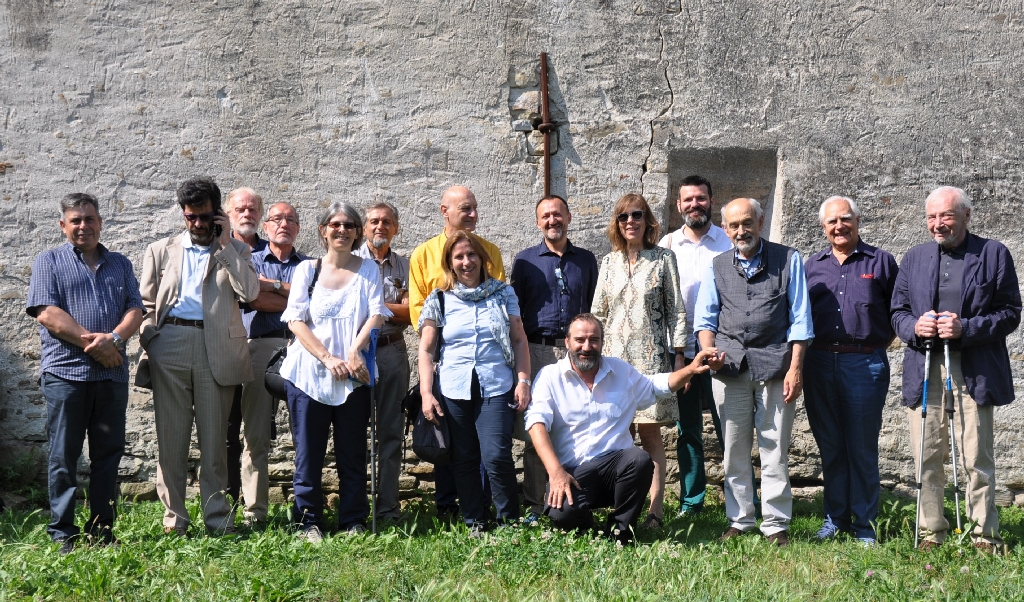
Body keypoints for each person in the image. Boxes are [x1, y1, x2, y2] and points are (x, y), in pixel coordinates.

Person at [891, 186, 1021, 553]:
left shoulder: (993, 253)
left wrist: (968, 327)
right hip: (926, 366)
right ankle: (932, 531)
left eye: (946, 216)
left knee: (976, 456)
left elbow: (1010, 311)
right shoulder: (914, 258)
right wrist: (914, 327)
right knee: (926, 454)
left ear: (966, 215)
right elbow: (897, 312)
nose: (938, 224)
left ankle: (984, 535)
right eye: (931, 217)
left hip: (974, 368)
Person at [526, 314, 720, 545]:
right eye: (580, 340)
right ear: (567, 342)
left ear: (602, 342)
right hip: (572, 473)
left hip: (615, 470)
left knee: (638, 459)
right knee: (562, 514)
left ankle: (620, 531)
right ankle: (589, 525)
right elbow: (536, 424)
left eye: (594, 340)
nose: (586, 347)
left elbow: (658, 385)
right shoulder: (550, 377)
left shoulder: (621, 372)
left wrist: (691, 369)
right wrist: (556, 472)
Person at [138, 177, 260, 536]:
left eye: (204, 217)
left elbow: (250, 292)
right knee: (170, 440)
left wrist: (225, 246)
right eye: (190, 217)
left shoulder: (235, 250)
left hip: (217, 348)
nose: (197, 224)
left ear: (218, 214)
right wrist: (152, 342)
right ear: (183, 214)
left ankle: (217, 519)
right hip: (170, 342)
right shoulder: (161, 250)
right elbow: (145, 304)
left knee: (214, 443)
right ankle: (175, 520)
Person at [27, 193, 144, 553]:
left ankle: (101, 530)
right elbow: (46, 313)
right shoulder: (48, 262)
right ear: (63, 226)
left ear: (100, 223)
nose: (83, 226)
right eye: (75, 221)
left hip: (110, 379)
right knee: (64, 455)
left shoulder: (120, 263)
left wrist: (114, 338)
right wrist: (96, 345)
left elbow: (136, 310)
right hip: (66, 377)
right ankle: (63, 531)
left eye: (89, 219)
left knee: (108, 455)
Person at [694, 197, 813, 548]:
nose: (740, 231)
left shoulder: (788, 259)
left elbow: (801, 320)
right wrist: (708, 349)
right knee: (733, 449)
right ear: (725, 228)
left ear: (760, 223)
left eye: (747, 223)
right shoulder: (716, 265)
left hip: (776, 368)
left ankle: (776, 524)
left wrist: (795, 369)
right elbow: (705, 318)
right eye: (733, 225)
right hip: (729, 369)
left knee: (774, 449)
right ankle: (740, 519)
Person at [279, 202, 387, 542]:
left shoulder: (368, 270)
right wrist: (327, 357)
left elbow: (377, 314)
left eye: (349, 225)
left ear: (357, 232)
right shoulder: (306, 271)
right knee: (308, 453)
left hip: (355, 375)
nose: (342, 230)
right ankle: (307, 522)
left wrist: (355, 351)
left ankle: (352, 520)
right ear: (323, 229)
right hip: (309, 374)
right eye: (335, 224)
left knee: (352, 453)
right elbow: (295, 320)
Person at [418, 230, 530, 534]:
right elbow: (427, 349)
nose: (466, 262)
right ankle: (475, 520)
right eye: (459, 257)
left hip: (496, 384)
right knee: (464, 458)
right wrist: (427, 393)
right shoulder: (439, 298)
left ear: (482, 259)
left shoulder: (503, 293)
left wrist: (523, 381)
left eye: (471, 255)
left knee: (495, 455)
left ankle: (508, 521)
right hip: (454, 387)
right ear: (450, 264)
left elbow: (519, 340)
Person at [804, 196, 898, 546]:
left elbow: (897, 312)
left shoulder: (881, 261)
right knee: (830, 444)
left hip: (864, 362)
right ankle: (835, 519)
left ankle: (864, 525)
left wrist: (870, 346)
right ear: (823, 227)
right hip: (819, 361)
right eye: (832, 221)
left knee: (861, 446)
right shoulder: (811, 266)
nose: (839, 226)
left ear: (857, 221)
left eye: (845, 219)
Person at [409, 185, 505, 517]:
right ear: (444, 211)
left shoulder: (491, 251)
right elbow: (419, 307)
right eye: (466, 209)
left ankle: (482, 504)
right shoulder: (422, 255)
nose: (473, 215)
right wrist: (434, 354)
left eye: (475, 208)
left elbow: (497, 305)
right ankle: (449, 505)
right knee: (448, 438)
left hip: (485, 363)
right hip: (443, 359)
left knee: (485, 443)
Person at [592, 193, 686, 529]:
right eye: (623, 217)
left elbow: (676, 310)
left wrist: (679, 358)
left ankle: (655, 512)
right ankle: (621, 510)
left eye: (637, 215)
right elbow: (597, 314)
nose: (630, 221)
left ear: (648, 221)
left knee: (650, 438)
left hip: (651, 362)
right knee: (617, 438)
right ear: (616, 224)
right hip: (614, 364)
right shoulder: (607, 263)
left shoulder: (663, 259)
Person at [509, 194, 598, 520]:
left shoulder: (586, 260)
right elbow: (514, 313)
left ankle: (572, 500)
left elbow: (592, 307)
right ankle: (535, 504)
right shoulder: (526, 261)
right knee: (537, 430)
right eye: (545, 216)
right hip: (536, 351)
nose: (552, 221)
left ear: (569, 217)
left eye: (557, 215)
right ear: (538, 222)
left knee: (575, 425)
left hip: (578, 353)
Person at [658, 175, 733, 517]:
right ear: (678, 206)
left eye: (700, 198)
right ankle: (692, 499)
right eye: (687, 200)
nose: (694, 205)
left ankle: (740, 499)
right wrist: (676, 359)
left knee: (730, 427)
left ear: (711, 201)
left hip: (723, 353)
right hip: (683, 353)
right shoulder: (668, 244)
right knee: (688, 431)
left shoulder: (727, 241)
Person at [235, 200, 308, 528]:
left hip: (303, 348)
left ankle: (305, 513)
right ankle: (255, 514)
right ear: (266, 227)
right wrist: (292, 295)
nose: (284, 224)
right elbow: (253, 299)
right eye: (277, 219)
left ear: (298, 228)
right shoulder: (250, 260)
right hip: (261, 348)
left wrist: (275, 286)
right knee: (255, 434)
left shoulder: (309, 265)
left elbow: (313, 304)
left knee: (304, 433)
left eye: (290, 219)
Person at [353, 201, 411, 521]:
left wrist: (375, 306)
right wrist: (390, 305)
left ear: (396, 229)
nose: (380, 227)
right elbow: (352, 310)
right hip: (358, 351)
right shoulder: (351, 263)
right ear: (364, 229)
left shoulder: (405, 265)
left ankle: (387, 508)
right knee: (354, 431)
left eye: (387, 222)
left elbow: (412, 311)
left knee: (390, 432)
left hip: (392, 350)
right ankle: (357, 509)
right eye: (374, 221)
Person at [222, 187, 268, 506]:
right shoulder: (217, 250)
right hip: (224, 348)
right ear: (228, 214)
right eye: (240, 208)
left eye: (253, 209)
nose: (247, 213)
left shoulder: (273, 252)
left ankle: (254, 507)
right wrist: (263, 293)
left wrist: (269, 288)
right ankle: (226, 503)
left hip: (263, 350)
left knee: (256, 435)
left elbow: (260, 296)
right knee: (225, 431)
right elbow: (254, 296)